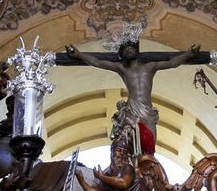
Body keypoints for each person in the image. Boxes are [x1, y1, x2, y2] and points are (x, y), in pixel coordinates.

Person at [63, 40, 200, 154]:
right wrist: (79, 55)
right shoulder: (122, 69)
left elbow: (172, 63)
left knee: (150, 148)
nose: (129, 50)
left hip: (148, 111)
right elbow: (98, 63)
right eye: (125, 50)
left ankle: (146, 170)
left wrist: (188, 54)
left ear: (136, 52)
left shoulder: (150, 66)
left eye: (131, 48)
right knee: (132, 146)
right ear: (121, 55)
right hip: (132, 110)